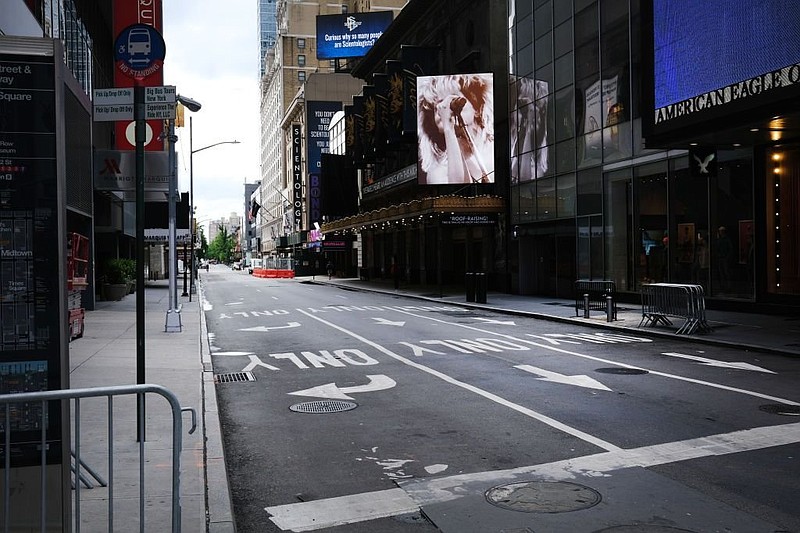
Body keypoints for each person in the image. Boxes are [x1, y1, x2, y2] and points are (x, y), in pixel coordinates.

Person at [417, 74, 495, 184]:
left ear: (476, 109)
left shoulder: (493, 151)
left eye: (454, 99)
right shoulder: (438, 171)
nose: (447, 108)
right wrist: (449, 128)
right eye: (438, 107)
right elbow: (458, 187)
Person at [714, 226, 733, 291]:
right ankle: (723, 285)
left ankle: (728, 285)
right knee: (721, 272)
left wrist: (727, 257)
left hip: (724, 258)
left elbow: (730, 249)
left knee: (726, 272)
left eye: (721, 231)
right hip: (720, 258)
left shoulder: (726, 239)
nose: (720, 232)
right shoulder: (719, 239)